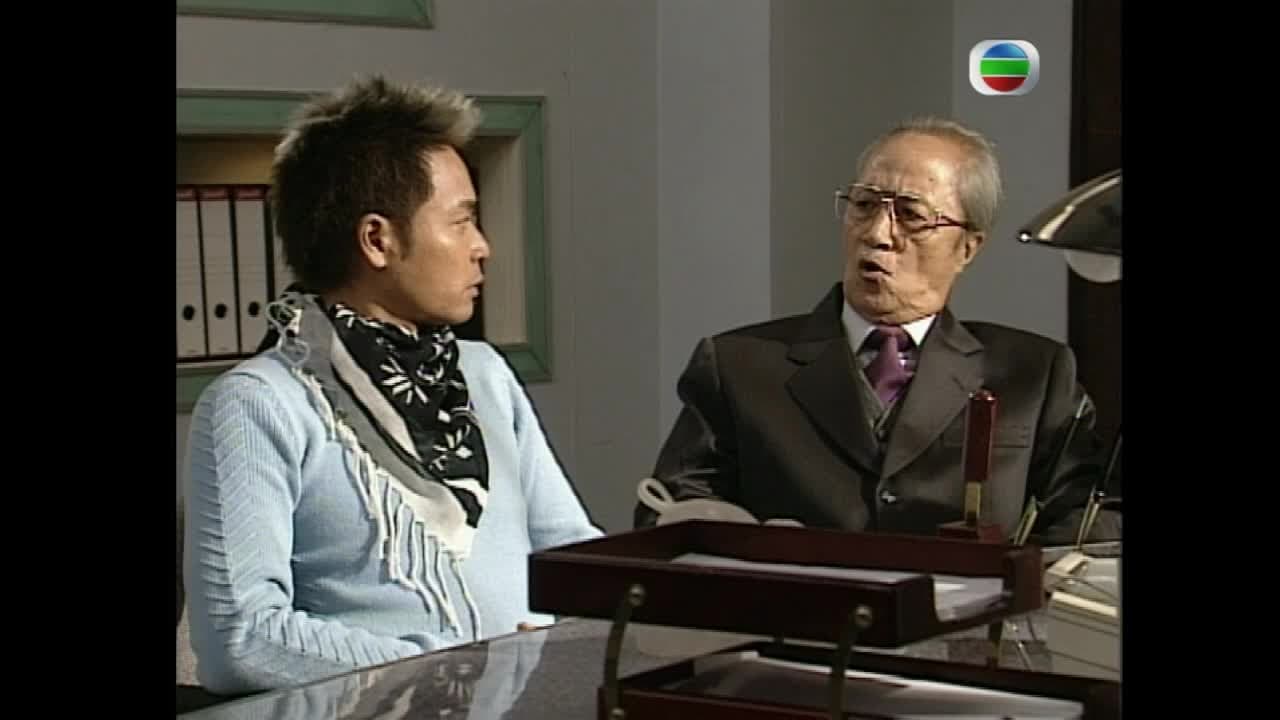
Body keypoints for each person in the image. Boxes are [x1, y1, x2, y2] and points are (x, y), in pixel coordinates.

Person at [182, 75, 602, 696]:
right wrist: (456, 666)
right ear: (377, 240)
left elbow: (575, 560)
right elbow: (242, 637)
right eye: (461, 222)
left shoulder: (484, 373)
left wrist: (560, 643)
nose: (482, 248)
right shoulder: (258, 403)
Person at [635, 117, 1119, 544]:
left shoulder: (1033, 373)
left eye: (911, 215)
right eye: (864, 204)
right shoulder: (737, 365)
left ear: (967, 247)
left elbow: (1085, 522)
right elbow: (667, 512)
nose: (877, 234)